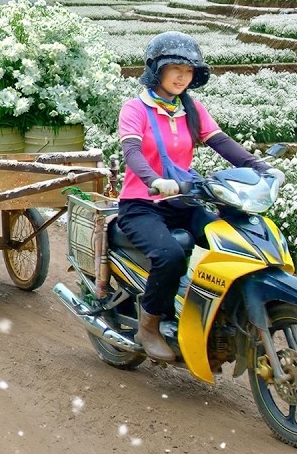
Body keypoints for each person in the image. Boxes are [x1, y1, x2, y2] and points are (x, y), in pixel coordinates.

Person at [117, 31, 274, 362]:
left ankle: (213, 315)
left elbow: (222, 142)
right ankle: (149, 325)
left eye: (188, 71)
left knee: (230, 241)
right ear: (156, 69)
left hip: (183, 202)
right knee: (169, 254)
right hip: (142, 205)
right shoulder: (136, 109)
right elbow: (132, 152)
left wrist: (262, 168)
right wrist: (154, 179)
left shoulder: (192, 109)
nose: (181, 77)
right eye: (174, 68)